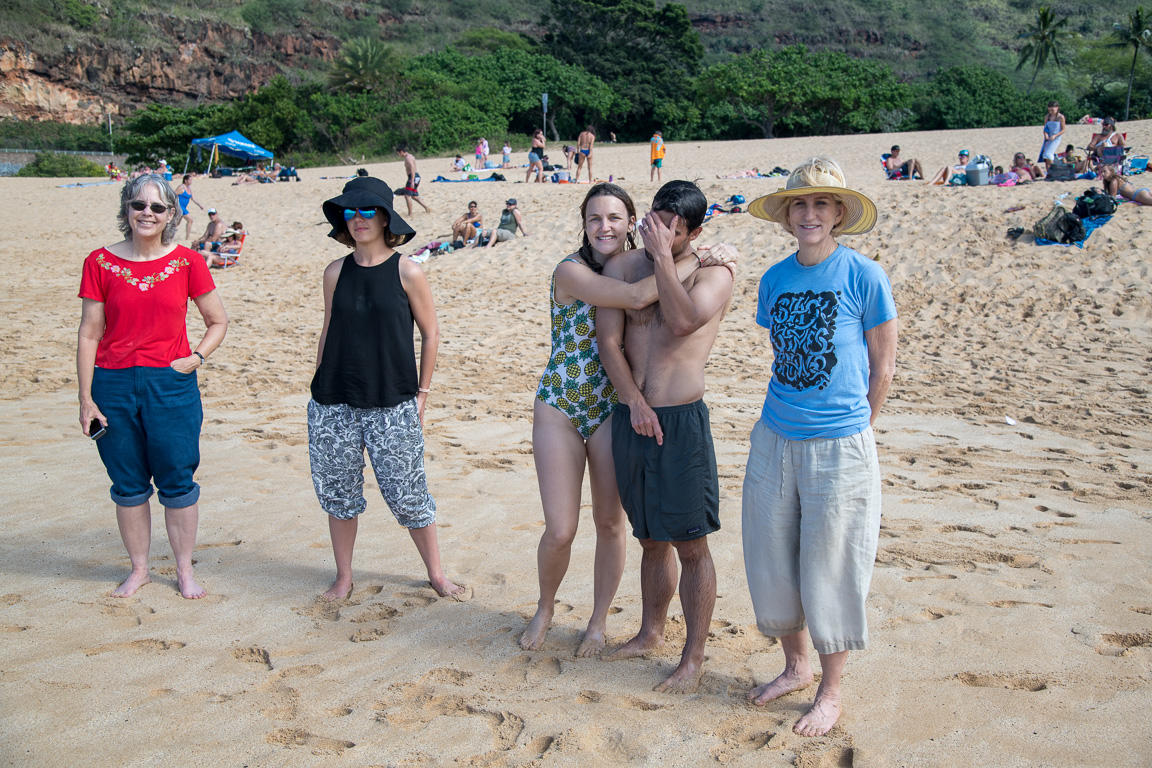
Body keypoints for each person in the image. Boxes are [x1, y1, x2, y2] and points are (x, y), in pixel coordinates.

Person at [522, 183, 738, 657]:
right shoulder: (582, 270)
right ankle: (549, 607)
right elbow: (630, 310)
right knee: (578, 530)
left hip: (630, 410)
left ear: (631, 222)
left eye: (615, 218)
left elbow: (679, 322)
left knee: (624, 526)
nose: (605, 227)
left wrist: (699, 258)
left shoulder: (694, 269)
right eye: (595, 218)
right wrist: (698, 258)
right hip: (579, 402)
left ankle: (607, 625)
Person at [740, 156, 897, 737]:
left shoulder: (865, 276)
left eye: (821, 205)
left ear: (838, 214)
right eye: (799, 204)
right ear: (787, 216)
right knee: (772, 555)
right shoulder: (776, 279)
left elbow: (884, 368)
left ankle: (831, 691)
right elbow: (783, 356)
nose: (810, 214)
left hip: (841, 444)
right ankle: (796, 666)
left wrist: (858, 428)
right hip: (774, 435)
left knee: (831, 566)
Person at [598, 180, 735, 693]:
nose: (660, 233)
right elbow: (608, 341)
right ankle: (650, 632)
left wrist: (662, 257)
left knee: (691, 544)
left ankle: (693, 657)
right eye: (655, 221)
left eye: (674, 230)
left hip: (679, 422)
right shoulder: (623, 268)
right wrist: (632, 400)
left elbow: (679, 322)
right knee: (650, 538)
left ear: (695, 232)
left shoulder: (714, 273)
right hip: (631, 416)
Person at [310, 176, 464, 602]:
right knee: (339, 494)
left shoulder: (407, 270)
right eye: (349, 212)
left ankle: (436, 573)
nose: (357, 220)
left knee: (409, 491)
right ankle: (344, 577)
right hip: (333, 402)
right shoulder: (334, 272)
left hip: (392, 401)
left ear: (384, 218)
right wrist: (319, 379)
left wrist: (422, 394)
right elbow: (327, 331)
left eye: (366, 211)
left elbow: (431, 334)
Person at [77, 174, 229, 599]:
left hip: (171, 384)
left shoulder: (187, 262)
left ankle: (184, 571)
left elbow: (218, 321)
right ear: (127, 209)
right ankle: (140, 569)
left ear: (170, 215)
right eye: (139, 205)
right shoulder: (99, 262)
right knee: (127, 483)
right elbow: (89, 333)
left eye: (158, 207)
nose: (147, 213)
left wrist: (195, 358)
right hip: (112, 384)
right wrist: (86, 397)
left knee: (177, 479)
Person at [394, 146, 430, 215]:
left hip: (413, 177)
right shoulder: (410, 156)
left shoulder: (408, 158)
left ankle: (410, 213)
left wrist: (412, 181)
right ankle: (426, 208)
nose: (398, 155)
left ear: (401, 152)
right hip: (415, 177)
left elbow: (412, 168)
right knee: (414, 196)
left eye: (398, 153)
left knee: (407, 195)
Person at [173, 175, 204, 240]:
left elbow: (193, 198)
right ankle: (188, 237)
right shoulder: (181, 187)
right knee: (190, 220)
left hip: (184, 207)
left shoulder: (189, 188)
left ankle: (168, 235)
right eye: (190, 180)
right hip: (179, 207)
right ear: (185, 180)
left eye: (191, 180)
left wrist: (199, 205)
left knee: (176, 223)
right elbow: (173, 195)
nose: (191, 181)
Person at [1039, 101, 1066, 167]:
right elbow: (1045, 128)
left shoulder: (1060, 117)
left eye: (1052, 110)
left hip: (1056, 138)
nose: (1051, 112)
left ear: (1057, 108)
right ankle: (1049, 173)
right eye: (1049, 110)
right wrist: (1045, 134)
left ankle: (1054, 169)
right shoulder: (1047, 117)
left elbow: (1063, 130)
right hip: (1048, 138)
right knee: (1045, 155)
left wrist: (1055, 136)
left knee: (1048, 154)